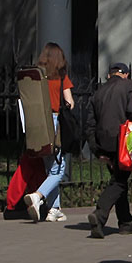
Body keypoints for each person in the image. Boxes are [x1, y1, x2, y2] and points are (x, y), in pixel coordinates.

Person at [85, 63, 132, 239]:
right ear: (127, 75)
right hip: (123, 142)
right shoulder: (130, 87)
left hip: (104, 144)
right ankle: (100, 214)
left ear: (109, 75)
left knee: (118, 179)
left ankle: (126, 223)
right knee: (119, 182)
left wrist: (96, 150)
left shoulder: (98, 92)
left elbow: (90, 124)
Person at [24, 42, 74, 223]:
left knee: (50, 167)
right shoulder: (61, 77)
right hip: (54, 123)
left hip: (38, 123)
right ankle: (38, 196)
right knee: (59, 169)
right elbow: (70, 102)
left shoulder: (38, 76)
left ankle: (54, 209)